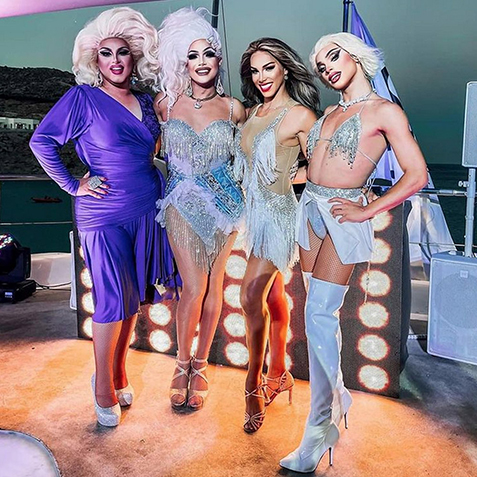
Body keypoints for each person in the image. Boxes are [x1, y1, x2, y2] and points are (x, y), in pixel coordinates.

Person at [279, 32, 428, 472]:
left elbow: (416, 174)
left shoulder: (385, 111)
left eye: (333, 56)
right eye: (320, 65)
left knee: (318, 315)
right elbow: (316, 168)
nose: (326, 68)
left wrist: (368, 210)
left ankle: (318, 428)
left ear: (356, 56)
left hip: (344, 216)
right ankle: (337, 399)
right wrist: (278, 176)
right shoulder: (329, 112)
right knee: (318, 319)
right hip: (310, 210)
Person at [30, 7, 178, 427]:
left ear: (134, 58)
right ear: (95, 60)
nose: (115, 60)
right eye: (107, 53)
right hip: (103, 210)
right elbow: (41, 141)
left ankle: (118, 372)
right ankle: (101, 387)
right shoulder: (82, 98)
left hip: (146, 207)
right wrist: (72, 184)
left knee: (132, 299)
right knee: (112, 298)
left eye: (123, 52)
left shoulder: (147, 102)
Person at [155, 7, 246, 411]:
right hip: (180, 202)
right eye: (192, 55)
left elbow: (247, 160)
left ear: (219, 59)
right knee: (193, 286)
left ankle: (202, 363)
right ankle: (181, 363)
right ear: (183, 62)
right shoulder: (165, 104)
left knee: (215, 286)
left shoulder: (234, 109)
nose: (201, 62)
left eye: (208, 53)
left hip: (226, 205)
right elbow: (144, 149)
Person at [235, 38, 319, 433]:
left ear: (285, 68)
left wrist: (289, 177)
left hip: (279, 216)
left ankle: (252, 387)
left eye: (269, 67)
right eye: (255, 70)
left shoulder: (300, 115)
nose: (261, 76)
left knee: (248, 296)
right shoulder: (253, 112)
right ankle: (279, 372)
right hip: (252, 215)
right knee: (272, 296)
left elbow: (321, 167)